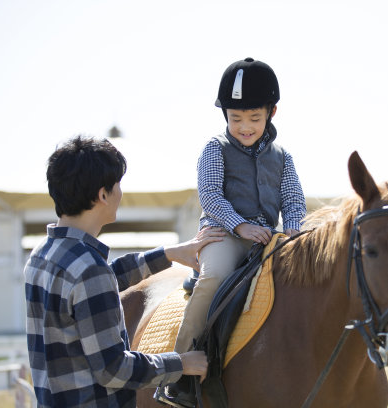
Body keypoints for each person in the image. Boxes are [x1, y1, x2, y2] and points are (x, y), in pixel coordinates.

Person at [24, 135, 225, 408]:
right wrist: (181, 363)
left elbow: (99, 284)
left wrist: (168, 254)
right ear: (103, 195)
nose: (120, 193)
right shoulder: (89, 270)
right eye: (117, 185)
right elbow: (113, 369)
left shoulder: (42, 256)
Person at [157, 57, 306, 406]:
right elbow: (209, 195)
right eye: (235, 118)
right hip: (223, 234)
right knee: (214, 277)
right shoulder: (214, 148)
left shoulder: (283, 157)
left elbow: (294, 199)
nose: (244, 126)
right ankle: (179, 374)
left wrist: (295, 230)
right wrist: (240, 224)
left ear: (271, 112)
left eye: (253, 118)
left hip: (267, 238)